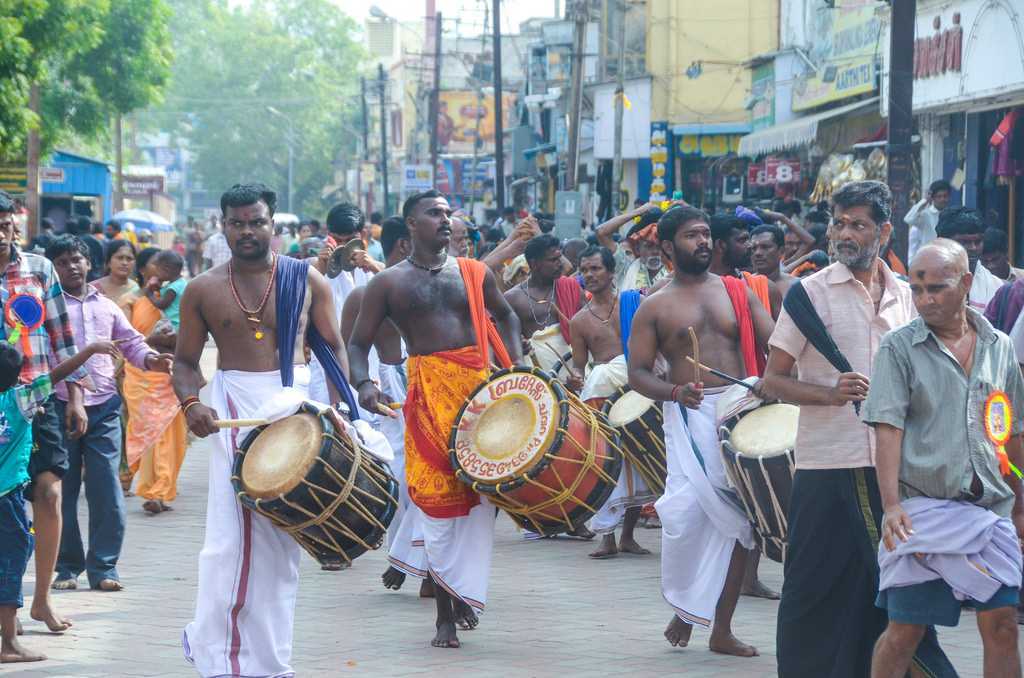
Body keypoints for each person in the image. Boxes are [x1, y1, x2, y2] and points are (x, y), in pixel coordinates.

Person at [763, 180, 953, 678]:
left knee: (896, 589)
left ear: (884, 231)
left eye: (858, 224)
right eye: (838, 222)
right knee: (814, 591)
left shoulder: (907, 296)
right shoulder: (809, 293)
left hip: (896, 470)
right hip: (827, 465)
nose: (844, 233)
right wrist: (830, 393)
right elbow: (773, 380)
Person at [174, 183, 353, 676]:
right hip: (234, 410)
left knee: (280, 545)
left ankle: (270, 661)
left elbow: (334, 348)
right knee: (231, 541)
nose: (247, 231)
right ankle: (217, 647)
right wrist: (191, 405)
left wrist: (337, 411)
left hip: (292, 410)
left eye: (257, 221)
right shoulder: (203, 288)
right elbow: (185, 363)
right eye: (237, 222)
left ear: (273, 224)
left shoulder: (305, 278)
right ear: (223, 225)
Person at [349, 189, 524, 649]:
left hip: (480, 401)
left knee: (480, 503)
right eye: (433, 214)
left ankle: (462, 592)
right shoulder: (387, 284)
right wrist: (364, 384)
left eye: (448, 214)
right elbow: (357, 342)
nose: (445, 221)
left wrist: (517, 369)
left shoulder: (475, 272)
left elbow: (506, 317)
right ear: (410, 225)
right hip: (427, 401)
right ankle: (444, 614)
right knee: (436, 505)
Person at [862, 239, 1021, 678]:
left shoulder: (1000, 345)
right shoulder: (899, 347)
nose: (925, 299)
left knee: (1004, 627)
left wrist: (1021, 503)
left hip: (990, 514)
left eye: (937, 287)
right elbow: (887, 430)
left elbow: (1012, 431)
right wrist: (891, 505)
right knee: (905, 633)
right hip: (920, 515)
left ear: (966, 283)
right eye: (917, 288)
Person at [627, 205, 774, 657]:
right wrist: (673, 392)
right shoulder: (654, 304)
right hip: (689, 415)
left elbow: (775, 343)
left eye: (707, 234)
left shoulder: (738, 291)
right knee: (685, 518)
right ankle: (689, 607)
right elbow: (636, 374)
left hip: (741, 410)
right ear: (669, 247)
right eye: (693, 236)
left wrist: (779, 384)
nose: (704, 242)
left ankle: (720, 629)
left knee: (738, 523)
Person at [45, 236, 173, 591]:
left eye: (76, 260)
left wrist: (152, 360)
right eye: (62, 262)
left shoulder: (108, 306)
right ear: (53, 269)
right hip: (57, 407)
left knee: (106, 487)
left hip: (103, 406)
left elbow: (131, 342)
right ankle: (67, 567)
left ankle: (103, 568)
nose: (71, 267)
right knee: (61, 491)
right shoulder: (47, 307)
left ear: (89, 264)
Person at [0, 191, 87, 633]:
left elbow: (61, 336)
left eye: (5, 225)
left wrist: (75, 396)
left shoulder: (39, 268)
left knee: (50, 494)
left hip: (37, 401)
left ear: (16, 224)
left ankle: (42, 599)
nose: (1, 234)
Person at [0, 337, 118, 663]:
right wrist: (91, 350)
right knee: (11, 564)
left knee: (13, 555)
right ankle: (8, 644)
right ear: (18, 376)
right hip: (8, 499)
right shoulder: (22, 399)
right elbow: (56, 373)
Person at [341, 216, 431, 597]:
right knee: (400, 486)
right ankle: (404, 557)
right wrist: (362, 386)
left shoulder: (436, 284)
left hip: (436, 394)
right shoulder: (365, 296)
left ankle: (428, 572)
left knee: (437, 486)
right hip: (390, 402)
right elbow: (348, 349)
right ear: (406, 247)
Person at [568, 246, 654, 559]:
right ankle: (606, 537)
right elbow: (579, 364)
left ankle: (628, 536)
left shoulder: (636, 303)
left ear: (610, 271)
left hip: (637, 392)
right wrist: (576, 376)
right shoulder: (579, 321)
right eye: (584, 270)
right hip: (601, 396)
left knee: (639, 463)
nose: (589, 275)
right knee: (607, 466)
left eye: (595, 269)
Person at [122, 247, 188, 515]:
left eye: (162, 266)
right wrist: (151, 342)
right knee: (149, 432)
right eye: (154, 265)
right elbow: (126, 341)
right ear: (143, 270)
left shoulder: (173, 296)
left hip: (168, 375)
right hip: (140, 376)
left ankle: (162, 489)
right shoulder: (130, 301)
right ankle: (153, 490)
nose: (158, 271)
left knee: (171, 434)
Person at [504, 234, 585, 379]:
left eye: (560, 258)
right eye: (553, 260)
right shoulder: (513, 298)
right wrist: (519, 346)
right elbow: (505, 342)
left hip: (573, 371)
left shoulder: (570, 287)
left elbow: (588, 326)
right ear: (534, 264)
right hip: (536, 375)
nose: (560, 263)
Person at [709, 214, 780, 319]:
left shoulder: (766, 288)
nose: (750, 245)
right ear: (720, 245)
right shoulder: (697, 291)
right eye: (742, 240)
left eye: (748, 239)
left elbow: (783, 333)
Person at [936, 206, 1002, 311]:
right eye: (964, 242)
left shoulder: (996, 287)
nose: (973, 248)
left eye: (978, 242)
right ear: (943, 242)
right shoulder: (926, 282)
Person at [595, 202, 668, 292]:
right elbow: (601, 232)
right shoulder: (626, 266)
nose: (655, 251)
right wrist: (638, 212)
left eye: (659, 246)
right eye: (649, 246)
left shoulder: (676, 271)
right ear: (637, 248)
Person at [905, 179, 951, 261]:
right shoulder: (926, 215)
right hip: (928, 259)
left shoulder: (951, 214)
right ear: (933, 198)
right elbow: (908, 219)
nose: (942, 199)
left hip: (946, 258)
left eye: (945, 196)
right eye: (939, 196)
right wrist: (925, 200)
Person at [750, 223, 798, 297]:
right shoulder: (743, 286)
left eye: (765, 247)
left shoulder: (797, 286)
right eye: (754, 248)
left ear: (781, 251)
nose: (757, 253)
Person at [143, 250, 186, 331]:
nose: (156, 274)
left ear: (166, 270)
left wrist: (149, 294)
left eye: (158, 270)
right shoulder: (181, 283)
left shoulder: (173, 288)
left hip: (175, 324)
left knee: (155, 332)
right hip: (181, 323)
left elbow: (162, 304)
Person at [93, 240, 140, 316]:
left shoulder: (137, 289)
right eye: (120, 258)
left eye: (129, 259)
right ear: (108, 262)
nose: (124, 263)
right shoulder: (93, 289)